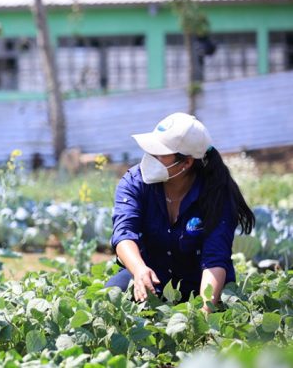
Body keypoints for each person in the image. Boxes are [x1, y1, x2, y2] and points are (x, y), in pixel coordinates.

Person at [106, 113, 255, 311]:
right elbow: (124, 233)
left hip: (200, 282)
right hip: (151, 276)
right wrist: (139, 269)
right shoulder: (134, 182)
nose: (151, 158)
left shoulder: (216, 193)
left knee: (221, 315)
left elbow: (215, 258)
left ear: (186, 163)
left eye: (160, 153)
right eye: (151, 150)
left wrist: (205, 310)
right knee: (111, 295)